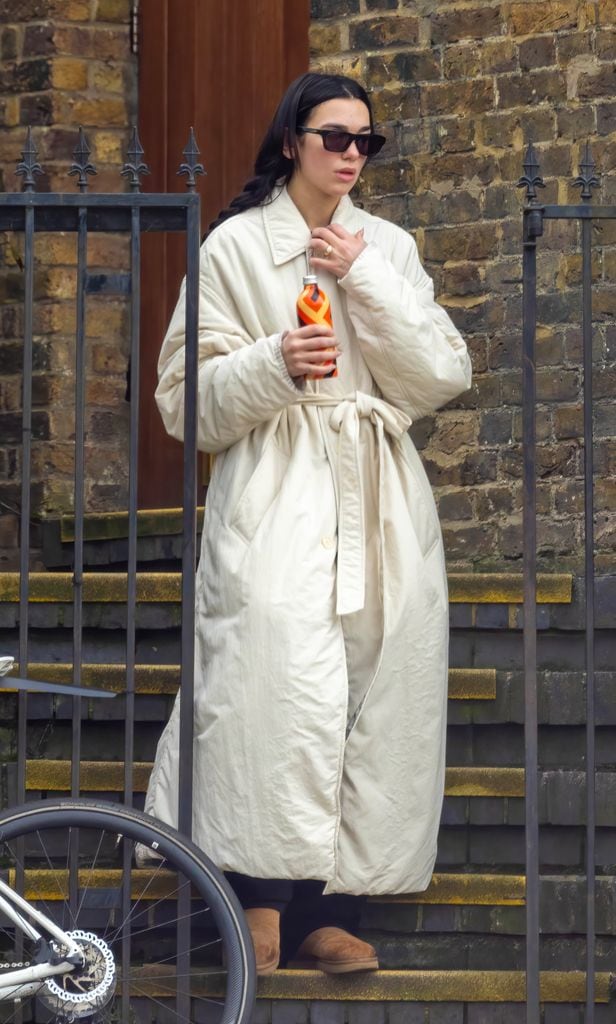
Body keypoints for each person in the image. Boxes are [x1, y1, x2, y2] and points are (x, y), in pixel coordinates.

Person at [143, 71, 472, 976]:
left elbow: (441, 373)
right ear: (293, 139)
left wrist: (362, 275)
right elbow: (184, 402)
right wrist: (275, 361)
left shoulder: (390, 248)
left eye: (369, 140)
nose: (353, 154)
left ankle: (332, 910)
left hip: (378, 498)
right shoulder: (236, 248)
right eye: (337, 136)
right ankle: (253, 900)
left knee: (374, 693)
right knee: (270, 690)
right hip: (275, 491)